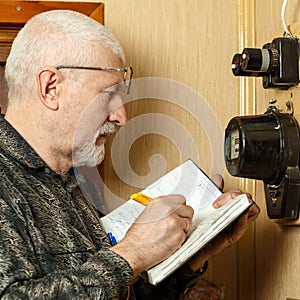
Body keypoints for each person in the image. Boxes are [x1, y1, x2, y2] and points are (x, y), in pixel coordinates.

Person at [0, 9, 260, 300]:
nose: (121, 116)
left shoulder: (74, 183)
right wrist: (133, 252)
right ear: (50, 88)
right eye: (109, 93)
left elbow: (118, 291)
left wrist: (196, 249)